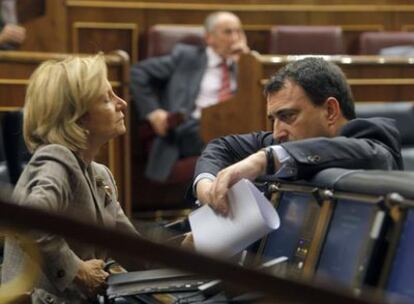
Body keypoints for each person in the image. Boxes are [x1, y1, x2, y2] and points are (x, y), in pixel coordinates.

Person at [1, 55, 139, 303]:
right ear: (77, 117)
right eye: (107, 99)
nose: (122, 104)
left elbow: (130, 249)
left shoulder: (99, 174)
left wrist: (189, 248)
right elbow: (31, 221)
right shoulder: (56, 158)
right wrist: (77, 270)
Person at [193, 57, 403, 215]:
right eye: (273, 119)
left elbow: (374, 156)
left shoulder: (376, 140)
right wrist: (206, 186)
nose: (277, 133)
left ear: (330, 111)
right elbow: (222, 147)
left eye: (288, 116)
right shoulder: (284, 142)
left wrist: (264, 159)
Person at [130, 11, 250, 182]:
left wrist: (246, 64)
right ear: (209, 38)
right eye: (228, 32)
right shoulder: (187, 57)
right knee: (231, 142)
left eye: (239, 32)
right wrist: (153, 112)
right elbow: (137, 72)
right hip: (191, 129)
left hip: (237, 127)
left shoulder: (247, 64)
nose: (235, 38)